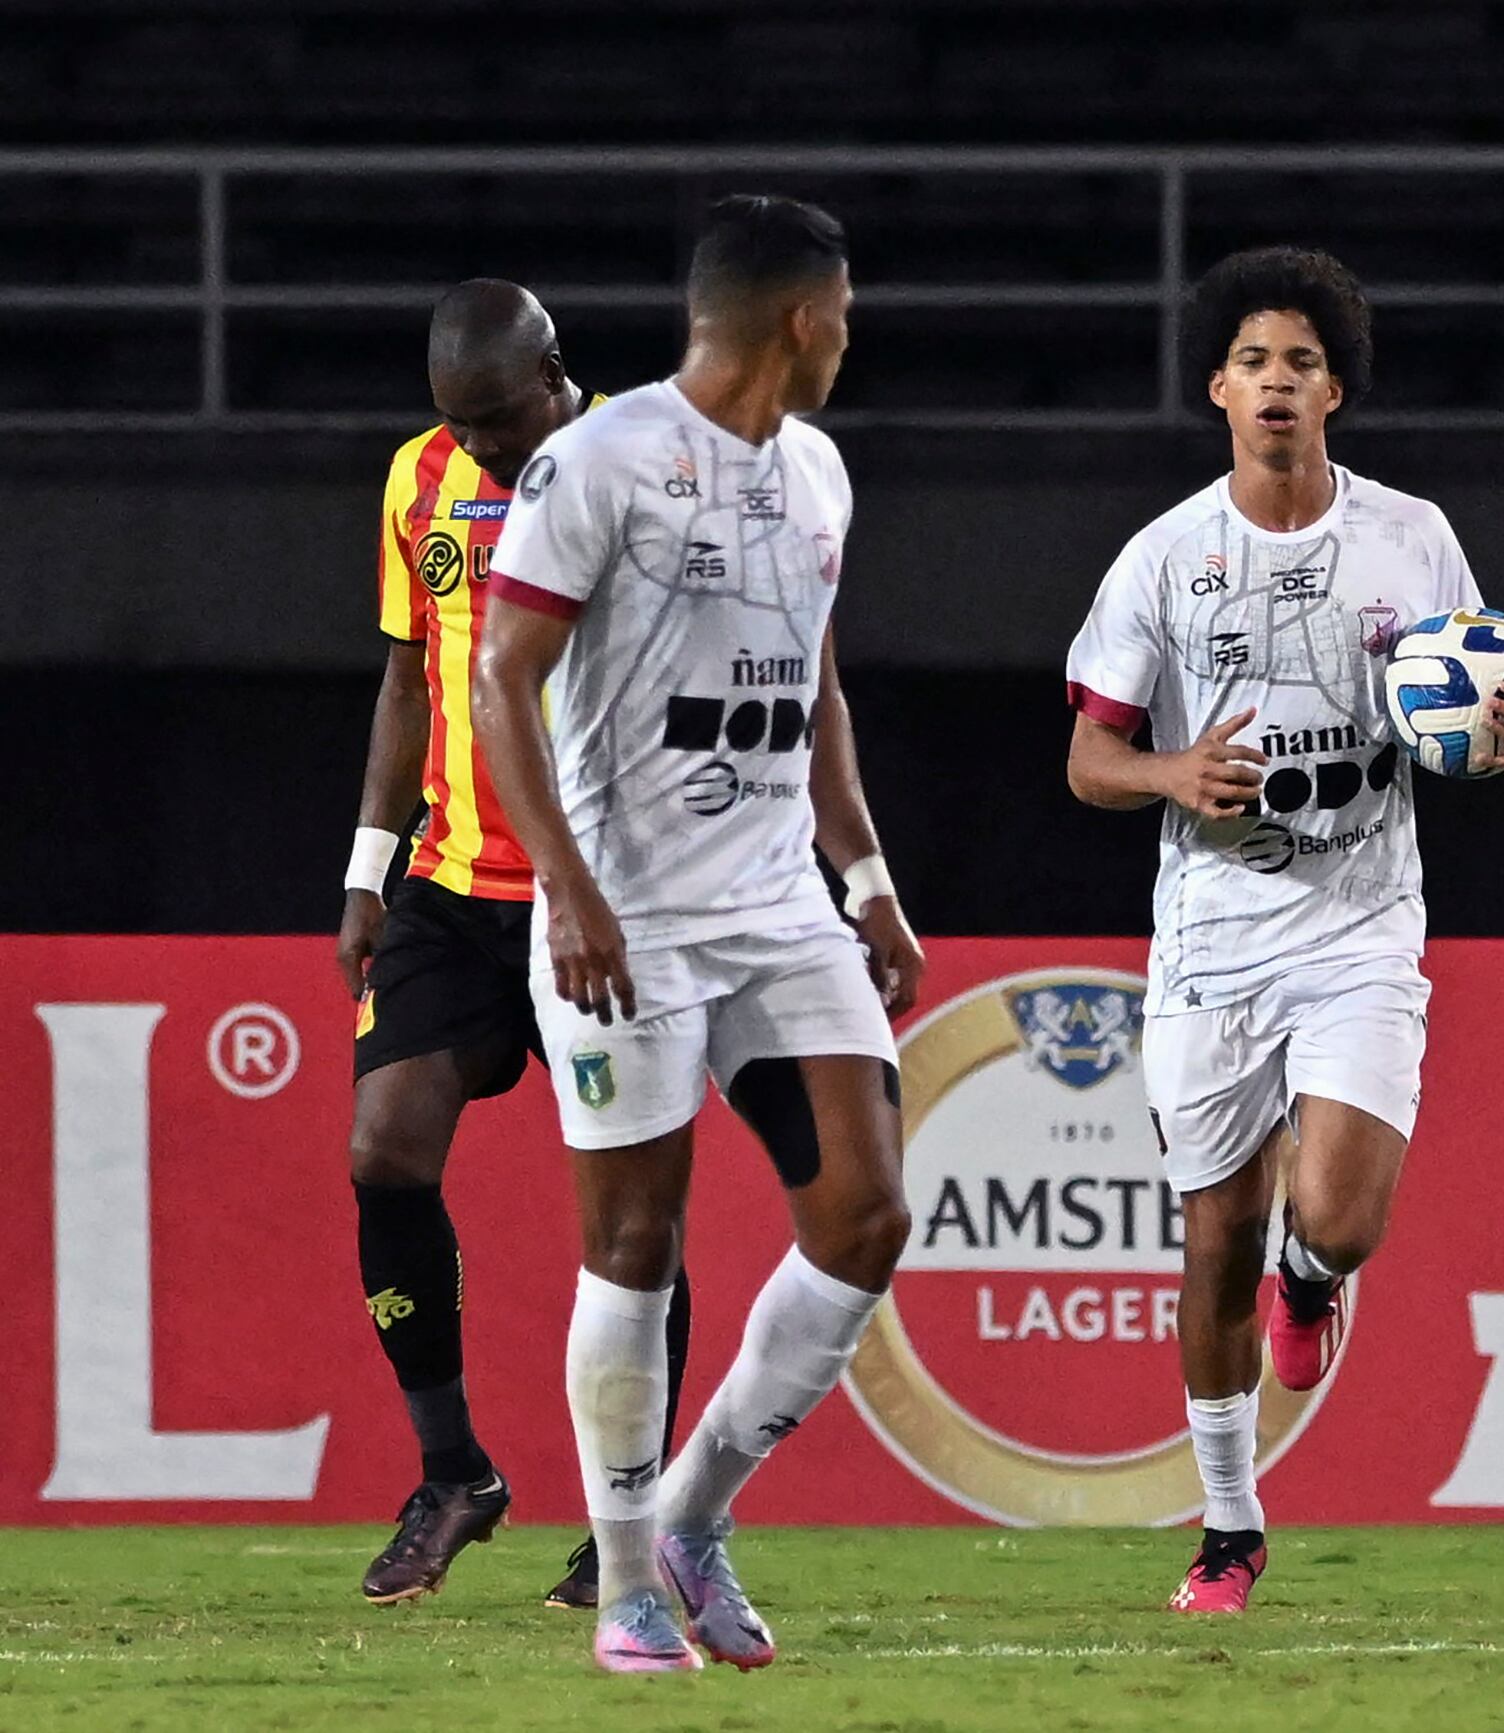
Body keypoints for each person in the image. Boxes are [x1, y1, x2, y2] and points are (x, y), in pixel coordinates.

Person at [1064, 246, 1504, 1614]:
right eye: (1253, 362)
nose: (1277, 382)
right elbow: (1088, 759)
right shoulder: (1162, 558)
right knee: (1213, 1244)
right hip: (1211, 939)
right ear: (1218, 390)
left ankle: (1314, 1279)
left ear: (1335, 389)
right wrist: (1171, 772)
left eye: (1301, 361)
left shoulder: (1411, 537)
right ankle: (1229, 1528)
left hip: (1361, 922)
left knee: (1339, 1219)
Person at [471, 194, 924, 1674]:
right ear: (799, 318)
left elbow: (818, 687)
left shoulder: (821, 472)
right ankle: (622, 1588)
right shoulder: (600, 460)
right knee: (635, 1244)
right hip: (631, 917)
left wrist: (866, 876)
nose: (848, 340)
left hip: (780, 907)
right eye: (842, 316)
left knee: (866, 1216)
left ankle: (690, 1515)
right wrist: (568, 888)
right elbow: (500, 678)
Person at [340, 282, 680, 1610]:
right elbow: (406, 673)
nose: (476, 447)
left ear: (554, 374)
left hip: (601, 893)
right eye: (457, 424)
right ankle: (453, 1474)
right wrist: (366, 870)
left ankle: (632, 1515)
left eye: (494, 420)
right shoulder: (416, 476)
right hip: (449, 882)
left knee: (633, 1214)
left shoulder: (640, 465)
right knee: (383, 1151)